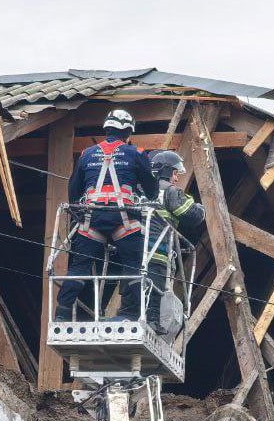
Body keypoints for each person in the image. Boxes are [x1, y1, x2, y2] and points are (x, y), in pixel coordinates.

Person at [54, 109, 159, 321]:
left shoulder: (86, 154)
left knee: (79, 268)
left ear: (107, 129)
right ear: (128, 131)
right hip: (124, 221)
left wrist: (80, 216)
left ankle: (62, 314)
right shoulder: (137, 153)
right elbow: (152, 191)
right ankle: (142, 314)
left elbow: (74, 192)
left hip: (92, 220)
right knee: (133, 266)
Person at [144, 149, 205, 329]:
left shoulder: (138, 191)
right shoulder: (169, 191)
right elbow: (191, 215)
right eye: (175, 173)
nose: (176, 179)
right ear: (165, 171)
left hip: (133, 249)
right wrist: (201, 209)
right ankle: (152, 322)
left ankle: (128, 315)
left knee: (132, 285)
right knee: (155, 287)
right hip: (158, 251)